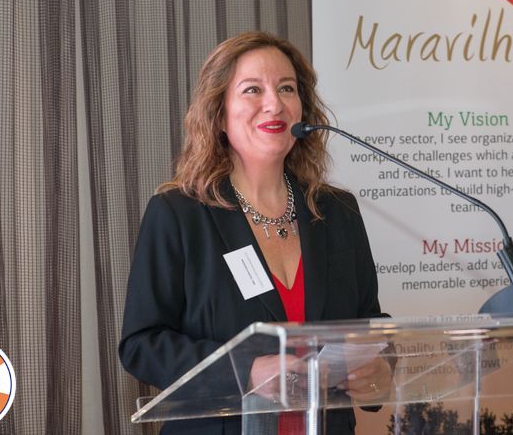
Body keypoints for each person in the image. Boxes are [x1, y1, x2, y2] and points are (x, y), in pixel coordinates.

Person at [119, 31, 392, 435]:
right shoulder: (179, 214)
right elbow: (142, 345)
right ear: (219, 114)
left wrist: (379, 369)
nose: (274, 104)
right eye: (252, 89)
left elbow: (370, 323)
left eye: (287, 88)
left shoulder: (338, 212)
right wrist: (245, 370)